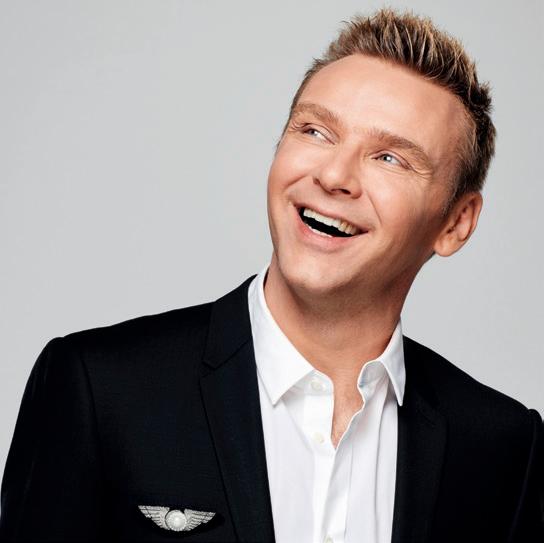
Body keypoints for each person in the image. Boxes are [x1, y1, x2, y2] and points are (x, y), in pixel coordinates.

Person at [0, 7, 542, 542]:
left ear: (455, 223)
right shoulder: (98, 389)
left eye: (389, 158)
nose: (333, 175)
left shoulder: (503, 447)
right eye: (315, 131)